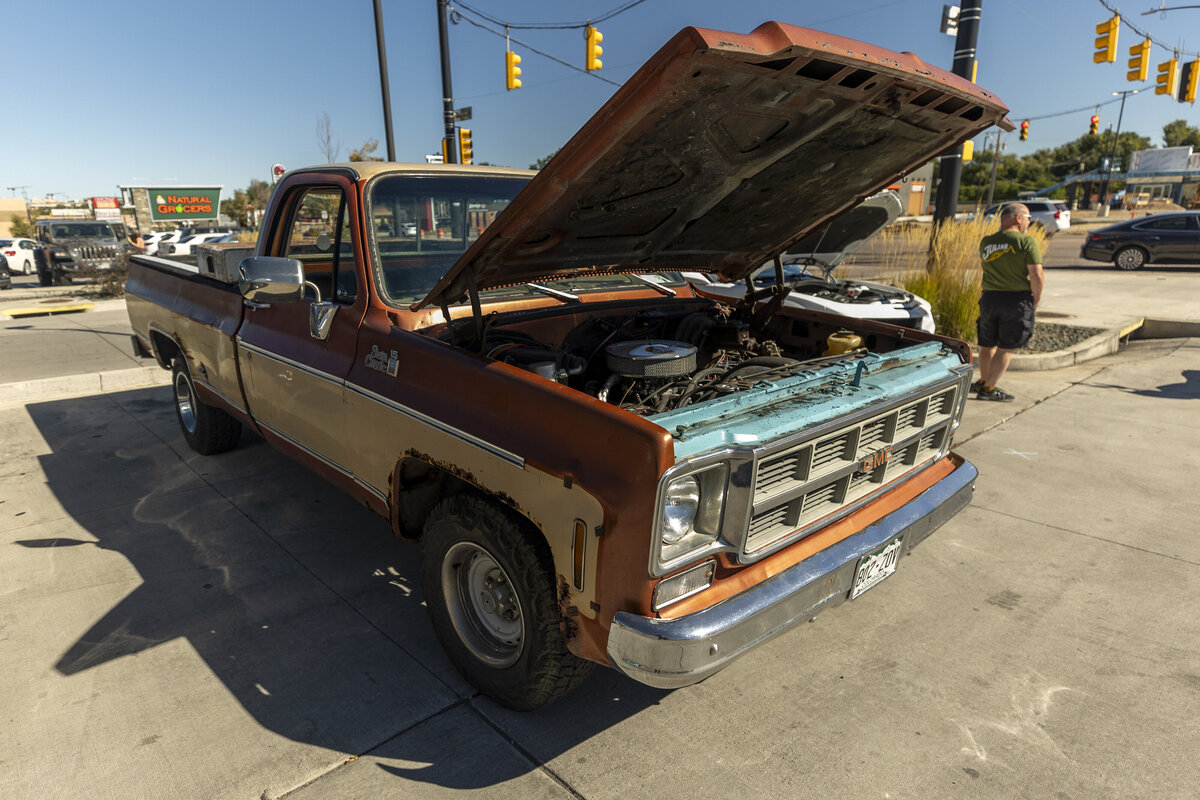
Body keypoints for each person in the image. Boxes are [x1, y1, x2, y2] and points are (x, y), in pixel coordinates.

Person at [974, 203, 1043, 402]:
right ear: (1018, 218)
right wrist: (1036, 299)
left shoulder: (986, 242)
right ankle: (989, 389)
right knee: (1005, 347)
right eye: (1028, 218)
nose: (1029, 222)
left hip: (989, 299)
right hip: (1015, 300)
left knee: (987, 344)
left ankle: (983, 380)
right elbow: (1036, 274)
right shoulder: (1026, 242)